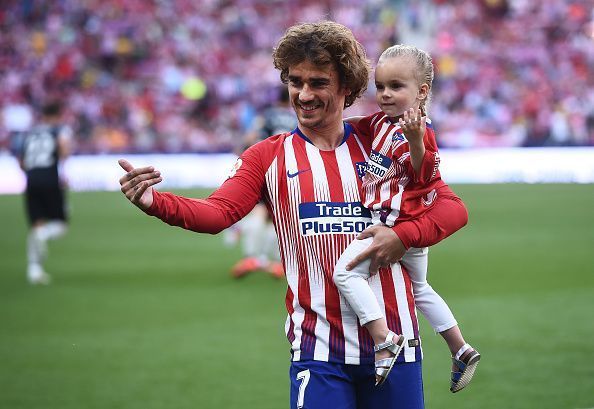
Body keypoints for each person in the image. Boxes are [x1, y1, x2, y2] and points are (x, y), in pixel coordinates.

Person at [118, 21, 468, 408]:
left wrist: (403, 236)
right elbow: (217, 213)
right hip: (318, 353)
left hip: (398, 346)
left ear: (347, 88)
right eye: (295, 81)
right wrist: (155, 202)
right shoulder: (268, 155)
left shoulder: (381, 139)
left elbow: (452, 209)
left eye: (318, 82)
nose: (304, 94)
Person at [333, 44, 480, 392]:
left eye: (396, 87)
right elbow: (358, 125)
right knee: (420, 288)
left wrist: (416, 142)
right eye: (380, 86)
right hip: (408, 229)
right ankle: (460, 347)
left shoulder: (416, 129)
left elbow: (424, 174)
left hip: (396, 226)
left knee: (344, 273)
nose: (384, 94)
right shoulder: (384, 122)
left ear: (422, 91)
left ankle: (383, 340)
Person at [228, 87, 297, 279]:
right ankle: (276, 263)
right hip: (288, 172)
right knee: (277, 217)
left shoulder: (267, 116)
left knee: (258, 211)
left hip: (265, 167)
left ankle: (251, 257)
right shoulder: (297, 118)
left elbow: (252, 138)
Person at [16, 101, 72, 285]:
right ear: (58, 115)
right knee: (60, 225)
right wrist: (62, 169)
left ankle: (34, 270)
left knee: (36, 224)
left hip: (31, 180)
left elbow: (21, 162)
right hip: (50, 178)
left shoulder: (31, 133)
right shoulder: (59, 130)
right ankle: (43, 236)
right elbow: (64, 150)